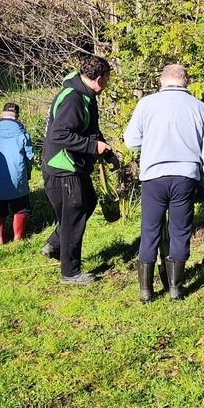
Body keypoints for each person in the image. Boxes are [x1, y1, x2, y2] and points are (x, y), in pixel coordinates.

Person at [123, 63, 204, 301]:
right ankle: (175, 288)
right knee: (180, 231)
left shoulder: (146, 104)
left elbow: (131, 141)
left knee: (150, 230)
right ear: (186, 81)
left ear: (162, 80)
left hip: (154, 176)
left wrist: (152, 142)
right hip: (186, 177)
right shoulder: (200, 108)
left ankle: (146, 291)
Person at [42, 55, 114, 285]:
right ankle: (70, 273)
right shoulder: (73, 98)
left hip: (76, 165)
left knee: (89, 201)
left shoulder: (87, 94)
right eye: (108, 79)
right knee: (73, 217)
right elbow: (60, 134)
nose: (108, 83)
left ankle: (54, 243)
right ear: (100, 78)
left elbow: (90, 129)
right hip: (63, 167)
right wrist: (93, 147)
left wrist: (106, 152)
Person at [0, 102, 34, 244]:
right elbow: (29, 158)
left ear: (2, 114)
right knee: (21, 208)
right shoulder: (23, 134)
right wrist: (27, 174)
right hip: (18, 178)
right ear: (17, 116)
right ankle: (18, 238)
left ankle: (0, 239)